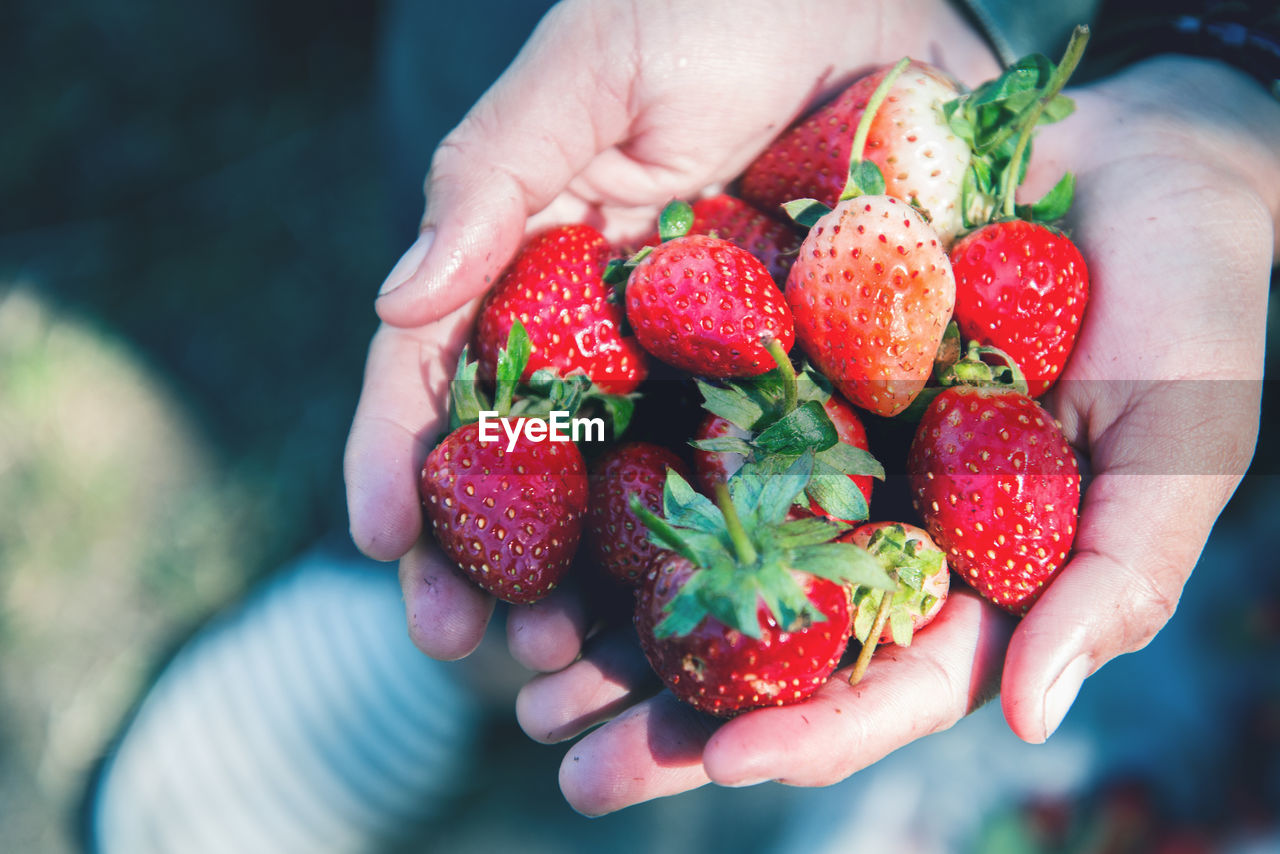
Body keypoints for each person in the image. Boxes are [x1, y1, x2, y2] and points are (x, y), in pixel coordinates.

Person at [346, 0, 1280, 817]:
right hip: (562, 114)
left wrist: (1218, 81)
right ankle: (408, 679)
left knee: (533, 534)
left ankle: (422, 675)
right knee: (489, 454)